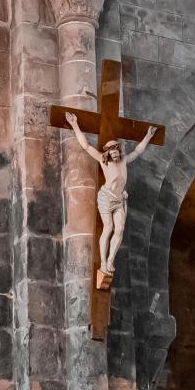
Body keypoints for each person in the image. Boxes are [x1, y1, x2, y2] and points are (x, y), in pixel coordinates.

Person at [66, 111, 157, 277]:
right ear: (108, 153)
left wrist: (148, 136)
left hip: (120, 199)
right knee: (108, 228)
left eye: (117, 153)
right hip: (107, 198)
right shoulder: (102, 159)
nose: (116, 156)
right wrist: (74, 124)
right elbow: (86, 146)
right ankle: (103, 263)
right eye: (113, 154)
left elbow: (137, 151)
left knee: (120, 229)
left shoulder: (123, 160)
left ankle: (110, 261)